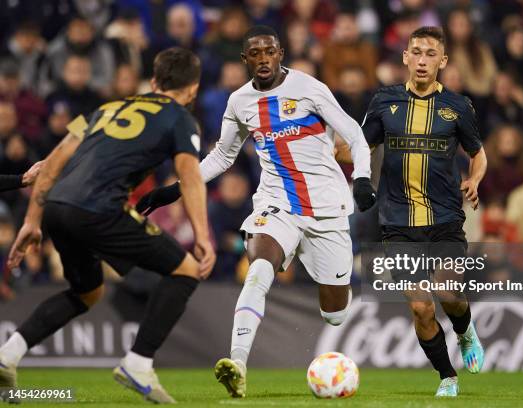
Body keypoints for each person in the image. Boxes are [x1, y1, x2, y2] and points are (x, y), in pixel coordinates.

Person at [136, 25, 376, 398]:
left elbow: (356, 136)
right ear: (245, 59)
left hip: (327, 207)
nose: (263, 59)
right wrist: (175, 189)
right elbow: (222, 155)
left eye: (269, 51)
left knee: (335, 312)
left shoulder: (311, 89)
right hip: (275, 203)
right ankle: (238, 364)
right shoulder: (240, 101)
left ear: (280, 53)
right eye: (255, 53)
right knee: (258, 270)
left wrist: (361, 179)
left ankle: (328, 302)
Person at [0, 47, 216, 404]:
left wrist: (32, 220)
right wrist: (203, 236)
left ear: (153, 81)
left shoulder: (104, 108)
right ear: (193, 88)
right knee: (187, 270)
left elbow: (52, 162)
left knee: (87, 291)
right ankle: (138, 362)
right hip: (99, 209)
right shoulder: (181, 119)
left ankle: (7, 355)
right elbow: (190, 178)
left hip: (57, 207)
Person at [361, 26, 487, 397]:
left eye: (430, 53)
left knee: (448, 291)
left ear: (443, 61)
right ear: (405, 57)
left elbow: (477, 153)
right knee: (421, 308)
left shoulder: (459, 106)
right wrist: (354, 171)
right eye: (415, 51)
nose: (421, 59)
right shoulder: (384, 101)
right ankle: (448, 376)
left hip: (445, 217)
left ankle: (465, 333)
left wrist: (475, 180)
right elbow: (360, 146)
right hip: (397, 221)